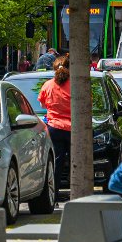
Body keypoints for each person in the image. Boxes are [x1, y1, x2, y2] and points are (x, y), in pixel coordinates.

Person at [38, 57, 74, 196]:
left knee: (56, 163)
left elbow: (42, 104)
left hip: (54, 128)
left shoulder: (48, 85)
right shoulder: (75, 85)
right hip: (73, 129)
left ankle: (55, 194)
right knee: (75, 161)